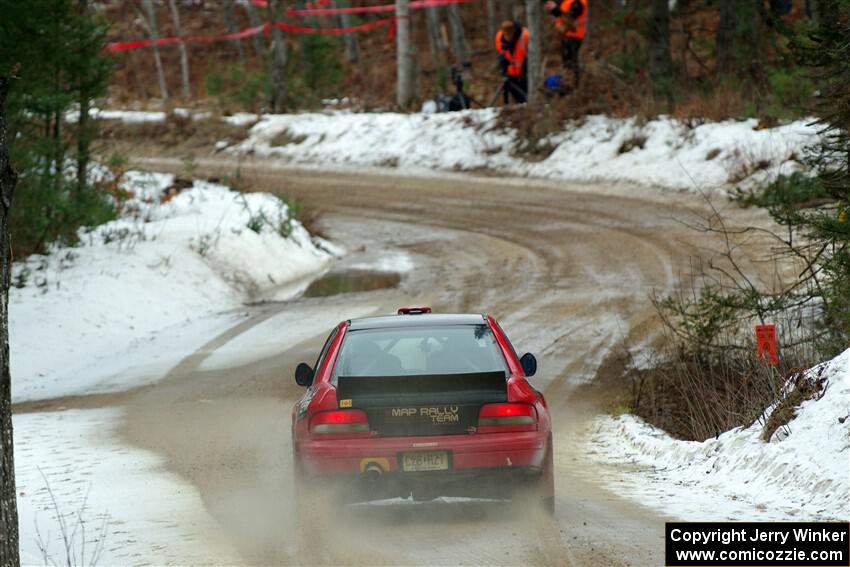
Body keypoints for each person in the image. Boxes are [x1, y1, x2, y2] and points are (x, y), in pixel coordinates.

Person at [544, 0, 586, 88]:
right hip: (567, 36)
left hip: (573, 37)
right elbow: (563, 15)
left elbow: (571, 21)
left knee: (569, 61)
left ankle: (571, 86)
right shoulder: (568, 1)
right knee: (567, 61)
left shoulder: (577, 3)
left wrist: (556, 11)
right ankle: (569, 85)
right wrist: (554, 11)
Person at [494, 20, 529, 104]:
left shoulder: (525, 36)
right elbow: (501, 52)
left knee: (525, 90)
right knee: (513, 89)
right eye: (506, 35)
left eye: (510, 35)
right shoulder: (499, 37)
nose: (508, 38)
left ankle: (526, 103)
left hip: (525, 69)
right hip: (510, 71)